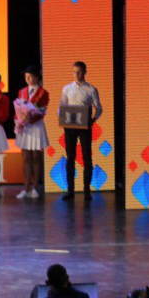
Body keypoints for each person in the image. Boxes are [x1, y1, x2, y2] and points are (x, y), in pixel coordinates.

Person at [58, 61, 103, 201]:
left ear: (84, 72)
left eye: (79, 72)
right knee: (70, 157)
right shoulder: (66, 88)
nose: (76, 75)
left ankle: (87, 190)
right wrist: (61, 118)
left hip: (84, 126)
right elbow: (62, 106)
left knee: (86, 157)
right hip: (70, 126)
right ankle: (70, 190)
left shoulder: (91, 89)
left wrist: (93, 119)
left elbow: (99, 108)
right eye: (74, 72)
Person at [14, 65, 49, 199]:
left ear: (37, 77)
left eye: (30, 76)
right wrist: (18, 121)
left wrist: (32, 116)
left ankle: (35, 188)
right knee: (26, 157)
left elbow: (42, 111)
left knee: (36, 157)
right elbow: (17, 108)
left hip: (35, 127)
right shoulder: (22, 91)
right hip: (25, 127)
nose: (27, 79)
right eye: (26, 77)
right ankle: (26, 188)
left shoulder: (43, 92)